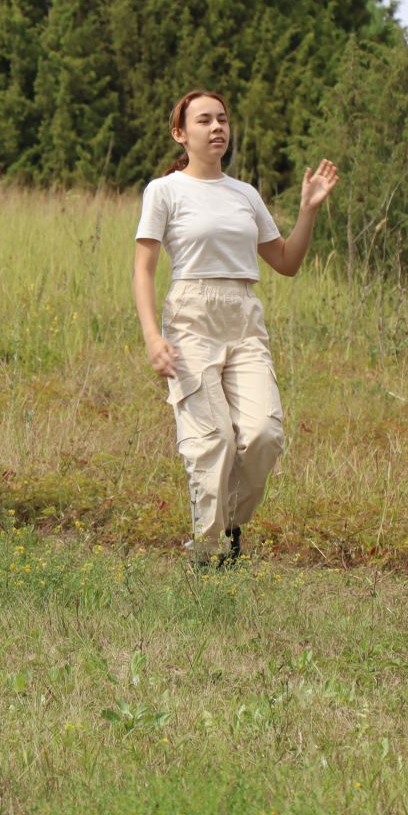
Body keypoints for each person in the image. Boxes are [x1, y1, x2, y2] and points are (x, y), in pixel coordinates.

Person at [130, 89, 337, 567]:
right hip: (190, 318)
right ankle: (209, 555)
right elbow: (142, 269)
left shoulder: (245, 194)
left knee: (264, 434)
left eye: (222, 119)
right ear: (181, 134)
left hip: (244, 317)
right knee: (214, 441)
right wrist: (152, 337)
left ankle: (224, 526)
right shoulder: (164, 191)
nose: (217, 127)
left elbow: (285, 261)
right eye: (204, 121)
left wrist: (308, 210)